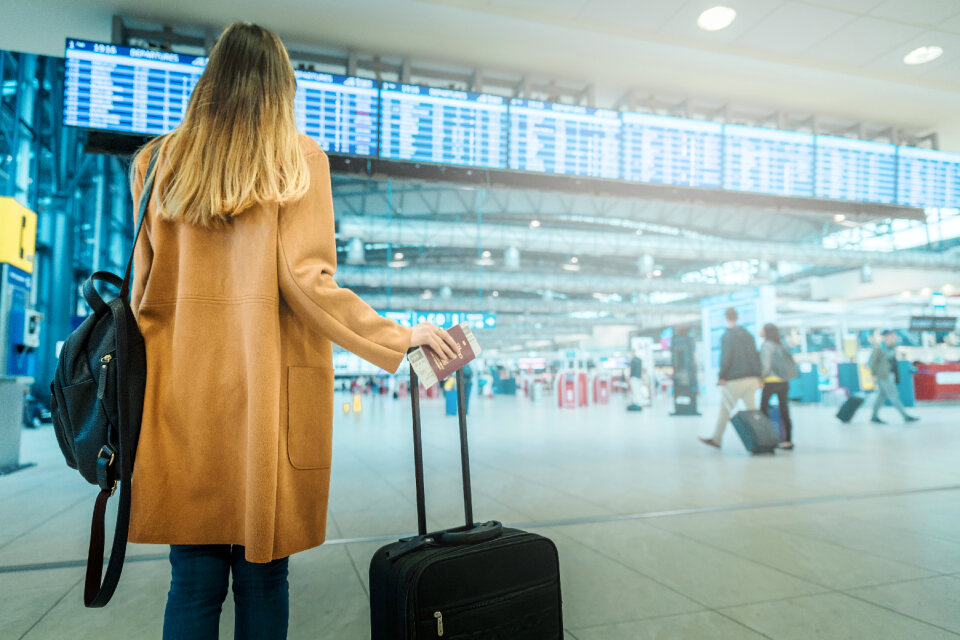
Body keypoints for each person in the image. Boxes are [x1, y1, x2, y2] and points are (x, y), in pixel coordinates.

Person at [126, 23, 460, 640]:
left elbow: (141, 297)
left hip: (180, 402)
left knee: (192, 582)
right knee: (262, 579)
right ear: (283, 86)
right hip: (265, 404)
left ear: (210, 80)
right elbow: (307, 282)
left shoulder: (154, 163)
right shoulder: (296, 158)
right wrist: (396, 336)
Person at [699, 307, 762, 448]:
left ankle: (716, 439)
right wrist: (759, 377)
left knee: (725, 409)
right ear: (737, 317)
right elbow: (755, 356)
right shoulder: (748, 334)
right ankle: (760, 439)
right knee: (752, 411)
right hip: (752, 379)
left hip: (735, 379)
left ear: (726, 318)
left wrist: (722, 376)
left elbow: (726, 357)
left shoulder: (727, 336)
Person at [759, 323, 798, 450]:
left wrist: (761, 378)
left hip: (770, 382)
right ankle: (787, 441)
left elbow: (766, 364)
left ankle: (765, 439)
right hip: (783, 382)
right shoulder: (781, 344)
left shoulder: (766, 345)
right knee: (784, 411)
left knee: (763, 411)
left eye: (762, 329)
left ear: (766, 332)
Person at [869, 330, 919, 424]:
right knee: (894, 396)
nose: (894, 338)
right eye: (893, 336)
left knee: (881, 397)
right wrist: (873, 375)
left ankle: (873, 416)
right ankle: (905, 416)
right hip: (884, 375)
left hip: (890, 374)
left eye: (895, 336)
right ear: (886, 336)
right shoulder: (879, 347)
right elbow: (873, 362)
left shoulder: (892, 347)